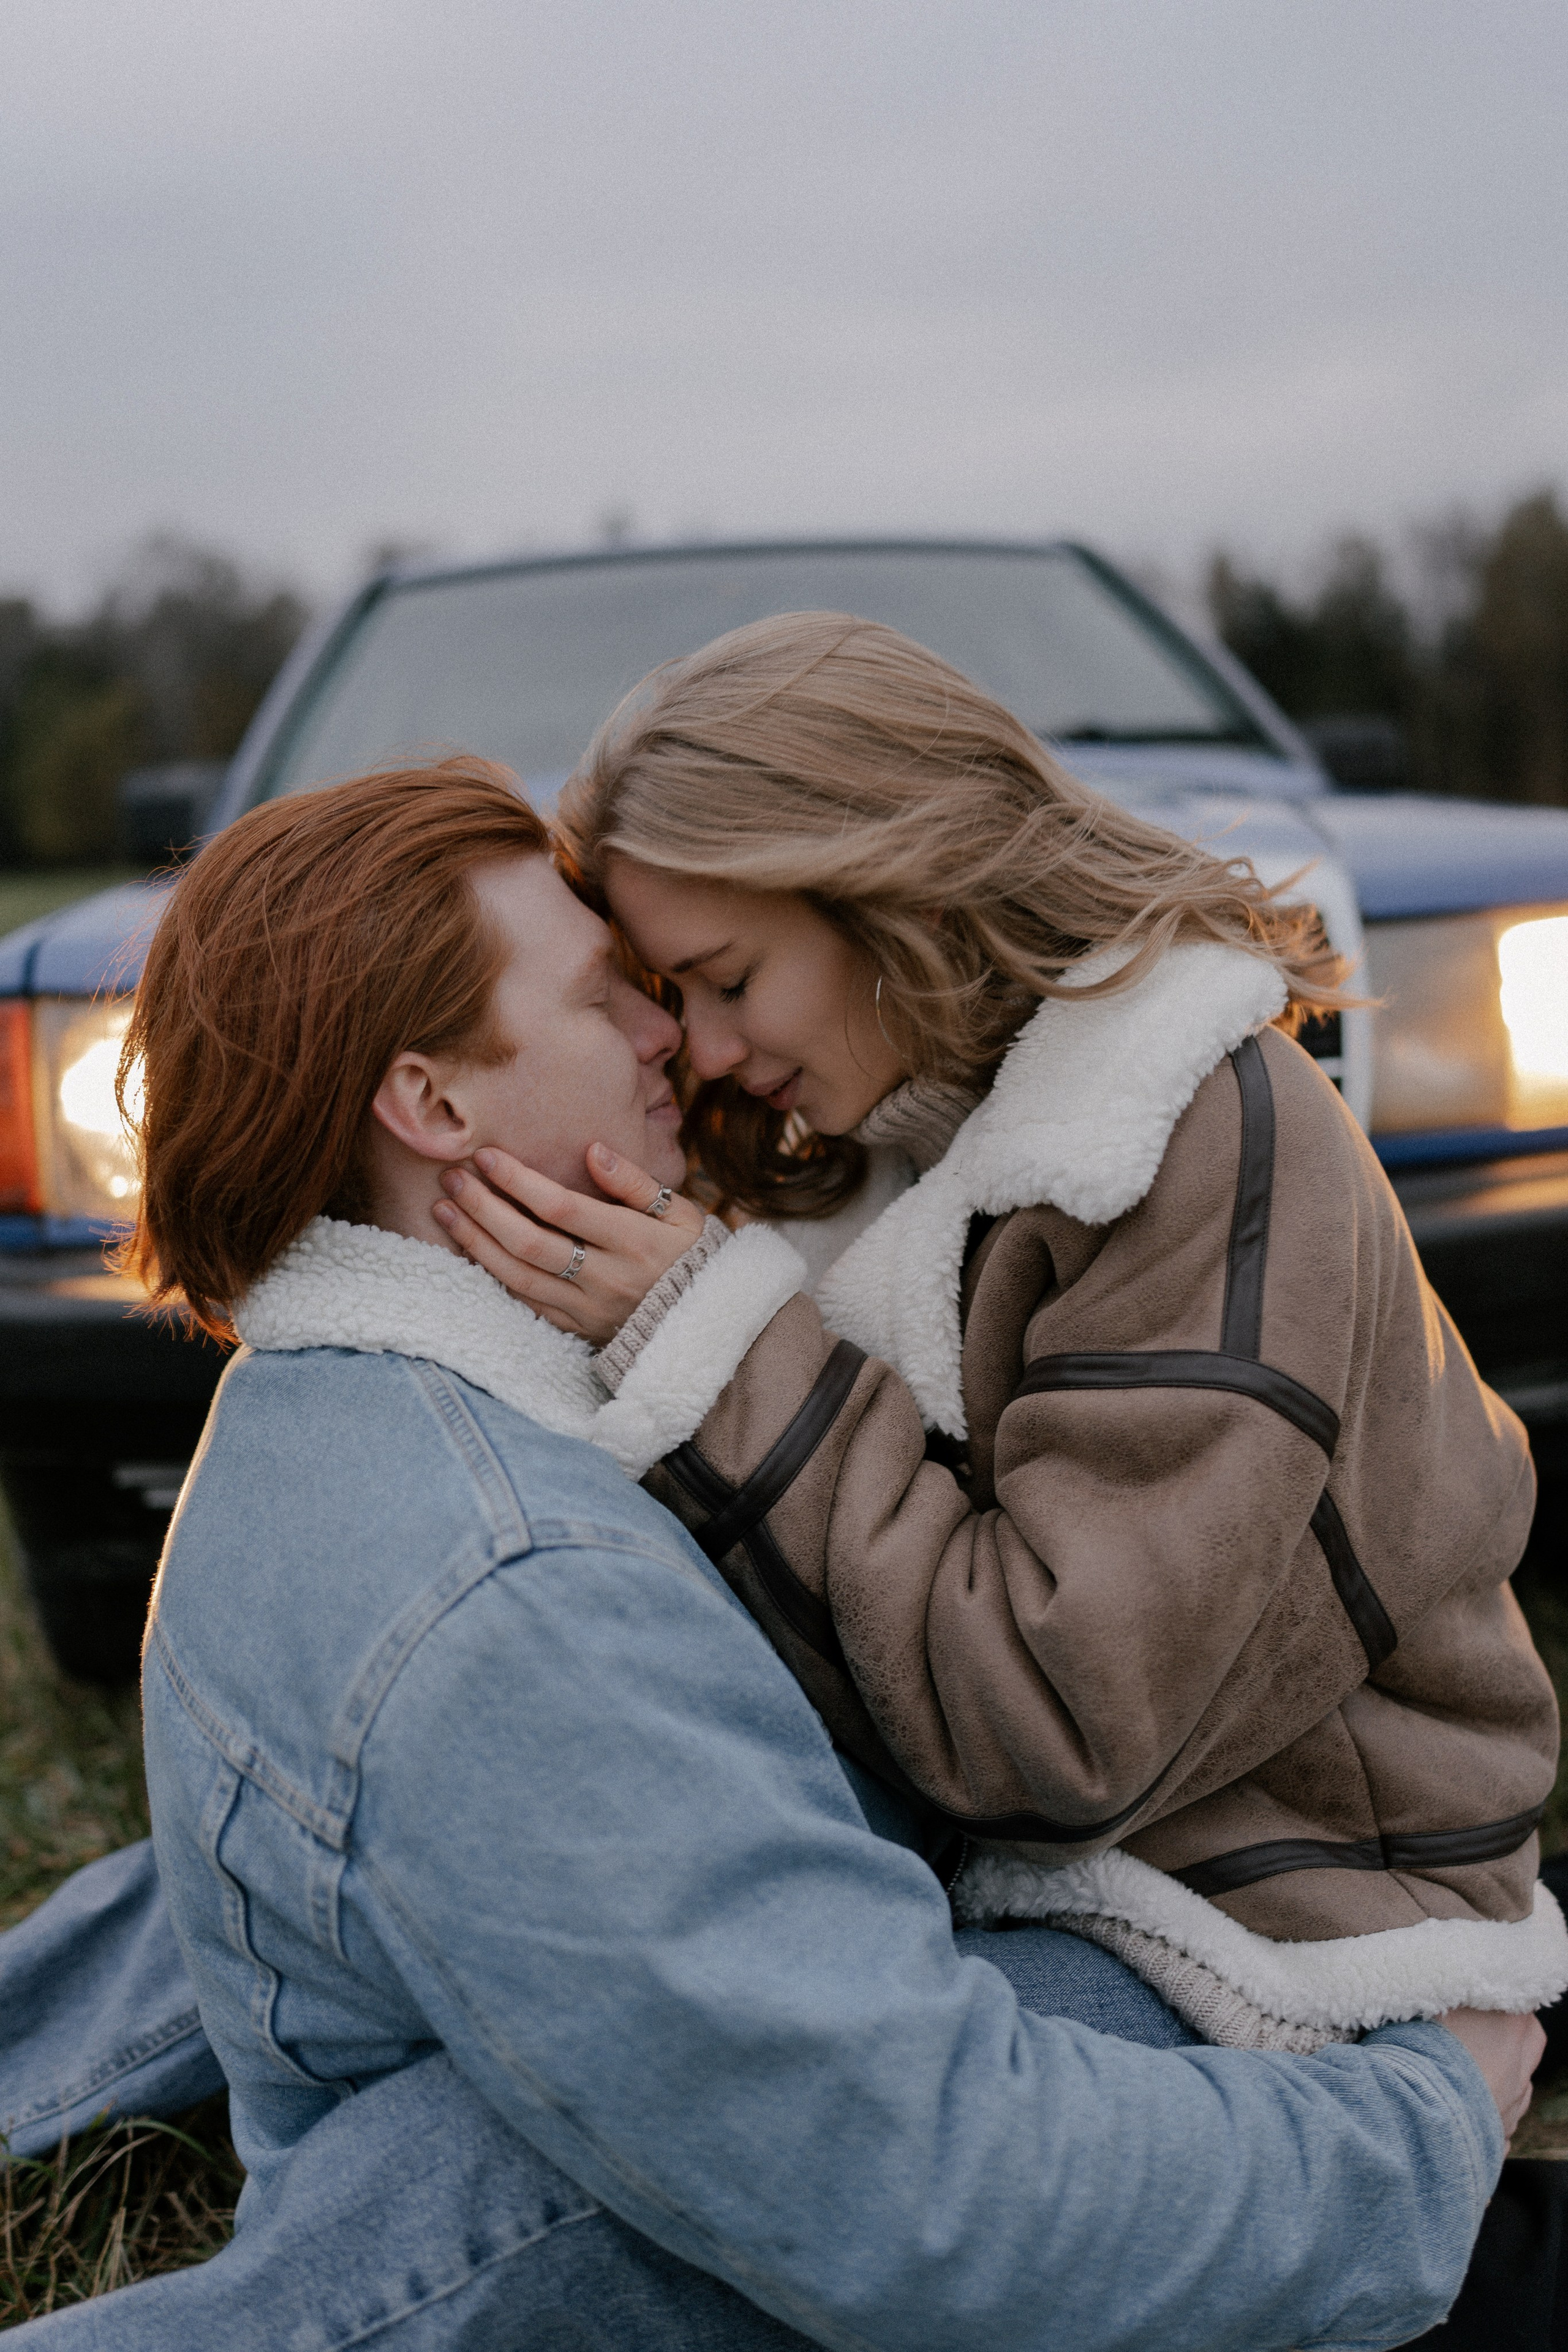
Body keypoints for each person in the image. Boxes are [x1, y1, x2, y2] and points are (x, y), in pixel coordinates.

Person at [0, 756, 1533, 2350]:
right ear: (435, 1104)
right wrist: (1413, 2129)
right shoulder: (515, 1604)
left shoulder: (354, 1413)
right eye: (611, 1000)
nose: (677, 1034)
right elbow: (932, 2189)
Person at [438, 611, 1568, 2060]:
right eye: (671, 1000)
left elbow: (1052, 1729)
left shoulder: (1190, 1136)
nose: (705, 1048)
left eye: (727, 979)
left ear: (890, 886)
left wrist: (711, 1349)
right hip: (987, 1864)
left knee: (704, 2086)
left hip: (1277, 1909)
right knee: (425, 1842)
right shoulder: (890, 1128)